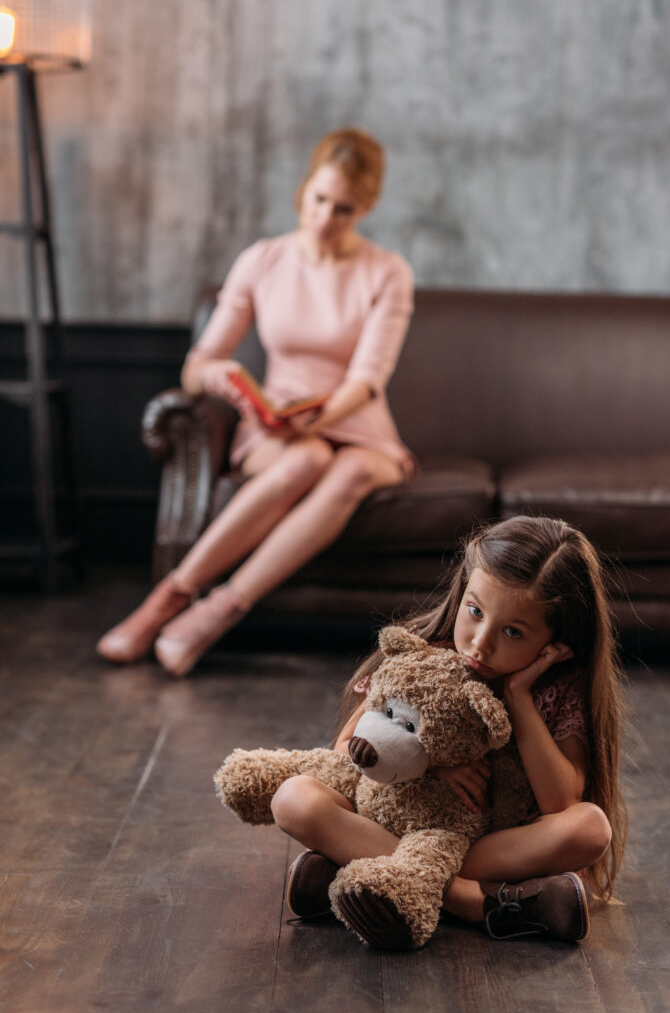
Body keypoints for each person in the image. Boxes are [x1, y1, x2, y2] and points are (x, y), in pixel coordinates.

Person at [97, 128, 414, 676]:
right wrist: (218, 373)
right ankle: (168, 600)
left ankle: (215, 611)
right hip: (279, 425)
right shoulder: (263, 260)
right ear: (303, 189)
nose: (325, 217)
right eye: (319, 199)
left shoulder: (387, 271)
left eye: (343, 208)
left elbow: (368, 379)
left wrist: (321, 418)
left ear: (367, 207)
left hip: (356, 421)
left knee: (349, 469)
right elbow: (195, 368)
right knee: (309, 458)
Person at [273, 515, 628, 945]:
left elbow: (561, 802)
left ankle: (355, 870)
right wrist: (430, 766)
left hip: (492, 845)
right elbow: (348, 749)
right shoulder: (422, 657)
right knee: (294, 799)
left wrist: (519, 698)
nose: (480, 642)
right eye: (475, 611)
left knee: (590, 827)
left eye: (513, 631)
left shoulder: (559, 689)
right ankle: (473, 903)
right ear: (462, 593)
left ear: (556, 638)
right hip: (397, 820)